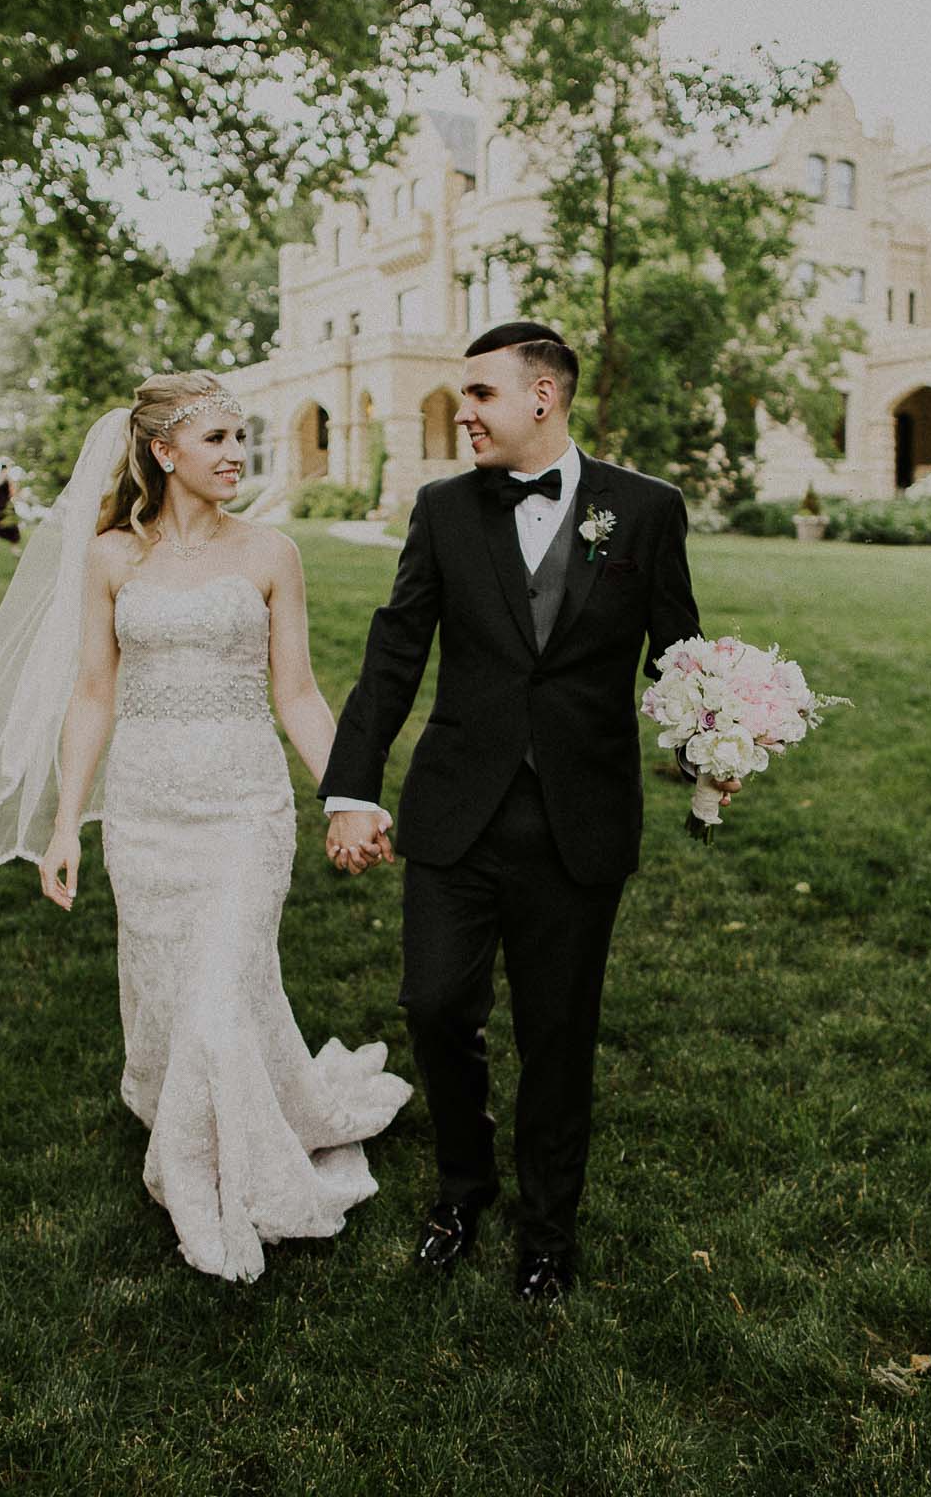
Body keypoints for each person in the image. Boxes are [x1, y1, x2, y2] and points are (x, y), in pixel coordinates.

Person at [0, 372, 409, 1282]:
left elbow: (296, 693)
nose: (236, 454)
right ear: (162, 452)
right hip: (145, 812)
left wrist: (348, 794)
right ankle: (212, 1128)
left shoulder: (271, 553)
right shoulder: (110, 557)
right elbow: (93, 695)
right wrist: (67, 822)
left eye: (239, 439)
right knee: (184, 1001)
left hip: (243, 808)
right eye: (217, 439)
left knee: (221, 992)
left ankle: (207, 1189)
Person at [320, 321, 743, 1302]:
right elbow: (393, 654)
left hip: (578, 821)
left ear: (542, 396)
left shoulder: (644, 510)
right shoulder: (442, 510)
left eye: (479, 394)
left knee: (559, 1033)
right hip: (454, 812)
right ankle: (463, 1189)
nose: (461, 411)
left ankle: (548, 1231)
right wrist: (352, 788)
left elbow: (676, 653)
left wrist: (711, 747)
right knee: (433, 1006)